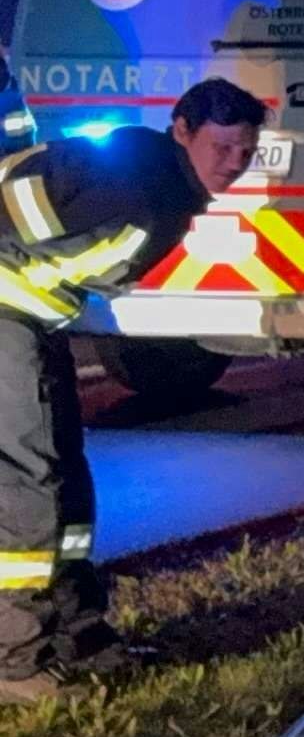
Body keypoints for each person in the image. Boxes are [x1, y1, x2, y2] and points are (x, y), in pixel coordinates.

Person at [0, 78, 264, 702]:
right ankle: (18, 661)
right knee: (29, 485)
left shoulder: (147, 162)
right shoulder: (151, 206)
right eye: (222, 147)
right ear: (183, 130)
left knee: (63, 474)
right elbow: (61, 267)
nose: (233, 164)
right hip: (10, 316)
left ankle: (77, 639)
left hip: (26, 316)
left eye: (245, 152)